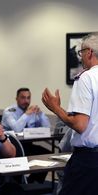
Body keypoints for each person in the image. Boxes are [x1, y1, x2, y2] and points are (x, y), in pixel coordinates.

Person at [42, 33, 98, 195]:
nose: (80, 58)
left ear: (89, 53)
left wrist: (55, 108)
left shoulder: (86, 78)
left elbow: (80, 125)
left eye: (81, 53)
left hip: (89, 161)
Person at [1, 87, 51, 183]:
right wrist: (27, 115)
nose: (26, 101)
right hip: (12, 148)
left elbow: (47, 128)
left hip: (27, 145)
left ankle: (34, 182)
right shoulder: (9, 112)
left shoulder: (32, 111)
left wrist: (40, 114)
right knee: (20, 159)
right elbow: (16, 128)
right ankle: (18, 184)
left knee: (47, 155)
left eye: (28, 98)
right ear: (17, 99)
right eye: (23, 98)